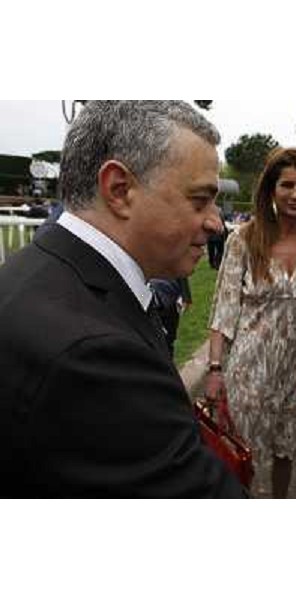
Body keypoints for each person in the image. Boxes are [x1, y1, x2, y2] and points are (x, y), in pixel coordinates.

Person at [0, 101, 245, 497]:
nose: (216, 222)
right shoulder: (98, 355)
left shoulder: (33, 268)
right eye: (200, 200)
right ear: (120, 189)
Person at [205, 147, 296, 498]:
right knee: (238, 455)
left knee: (286, 450)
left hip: (294, 372)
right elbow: (225, 309)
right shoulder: (244, 239)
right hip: (248, 371)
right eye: (287, 185)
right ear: (271, 190)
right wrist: (216, 368)